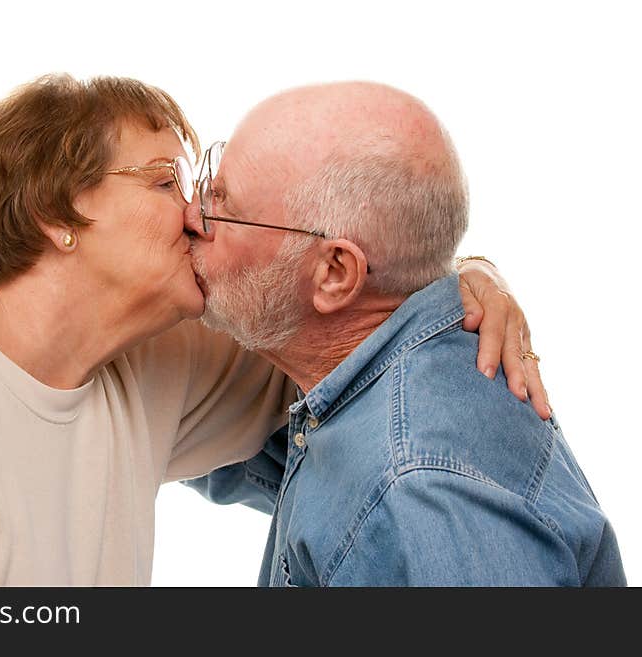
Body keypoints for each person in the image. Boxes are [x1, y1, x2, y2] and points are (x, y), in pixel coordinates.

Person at [0, 74, 541, 586]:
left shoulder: (147, 366)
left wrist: (468, 276)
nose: (199, 213)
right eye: (167, 181)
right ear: (56, 214)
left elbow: (346, 324)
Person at [184, 81, 625, 586]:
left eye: (223, 206)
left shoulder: (419, 489)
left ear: (334, 273)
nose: (192, 218)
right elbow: (208, 446)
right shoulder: (370, 385)